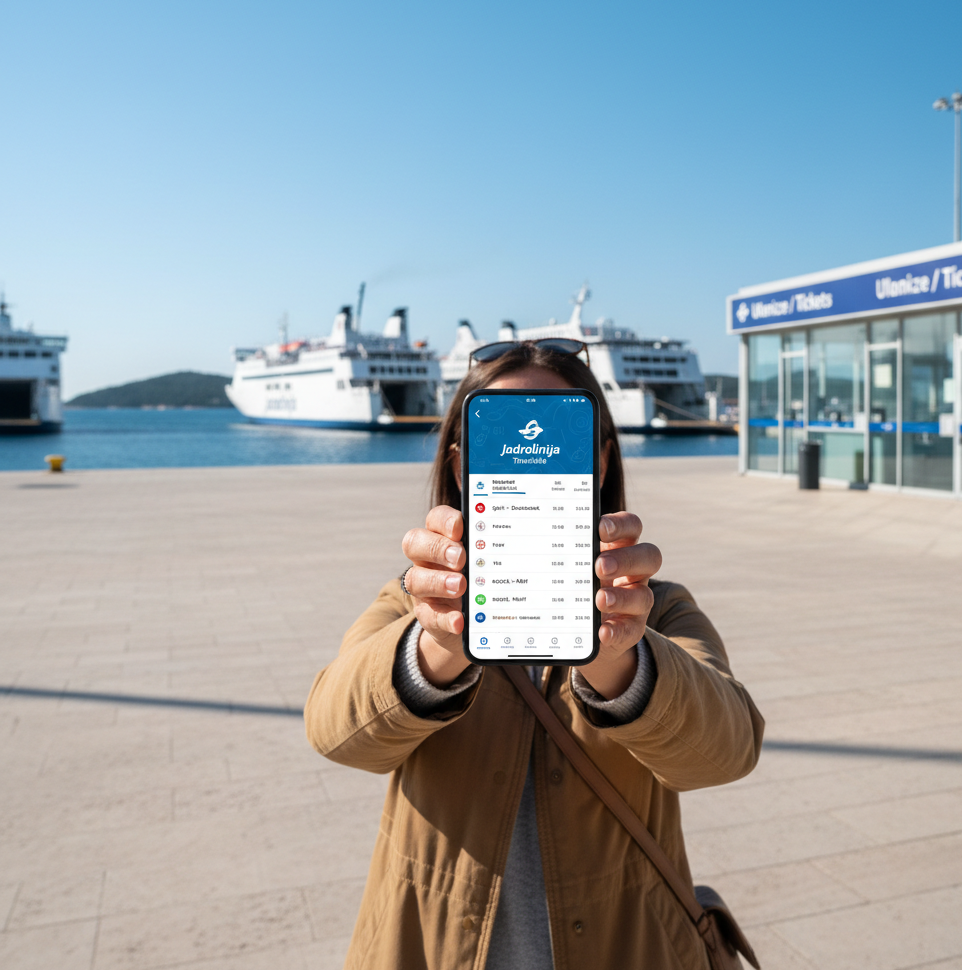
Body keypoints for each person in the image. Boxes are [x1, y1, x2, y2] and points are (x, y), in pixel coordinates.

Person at [305, 341, 764, 970]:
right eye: (506, 431)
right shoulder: (413, 602)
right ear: (462, 466)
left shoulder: (660, 609)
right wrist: (431, 652)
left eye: (559, 430)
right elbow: (337, 734)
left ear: (600, 460)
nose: (534, 449)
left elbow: (726, 752)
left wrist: (621, 662)